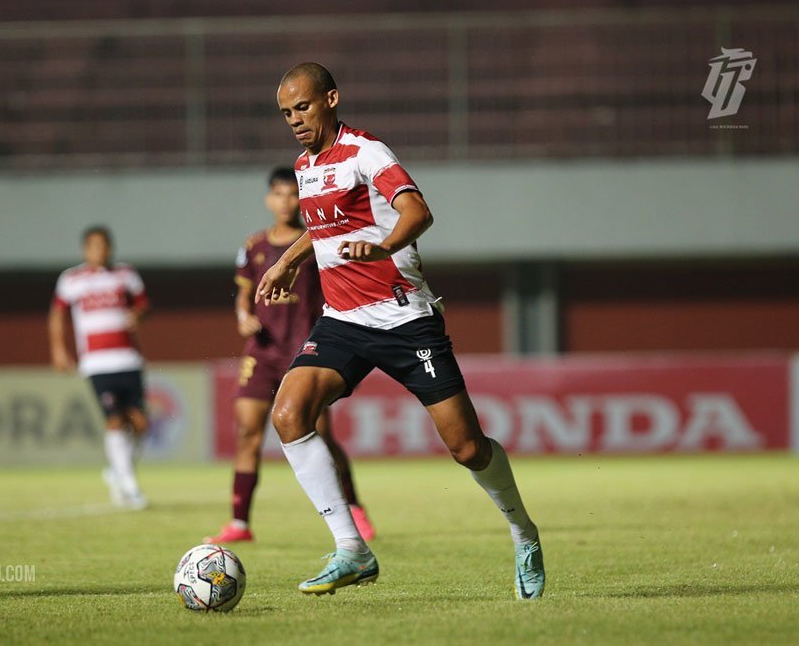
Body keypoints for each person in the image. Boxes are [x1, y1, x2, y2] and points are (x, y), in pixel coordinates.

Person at [257, 63, 546, 598]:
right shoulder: (304, 165)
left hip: (405, 318)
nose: (295, 120)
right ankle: (352, 550)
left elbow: (418, 212)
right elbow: (325, 229)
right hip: (343, 320)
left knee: (466, 449)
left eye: (303, 107)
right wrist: (290, 260)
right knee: (288, 413)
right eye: (286, 113)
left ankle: (523, 531)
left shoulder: (368, 152)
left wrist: (384, 246)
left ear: (332, 99)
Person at [204, 167, 375, 545]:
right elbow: (244, 297)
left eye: (292, 194)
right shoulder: (254, 247)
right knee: (248, 431)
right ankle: (239, 523)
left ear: (302, 198)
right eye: (278, 195)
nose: (285, 202)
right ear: (269, 199)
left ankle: (354, 506)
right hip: (262, 352)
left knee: (322, 437)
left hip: (307, 348)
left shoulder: (319, 241)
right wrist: (244, 316)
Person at [49, 227, 150, 509]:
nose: (100, 251)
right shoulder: (72, 279)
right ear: (85, 249)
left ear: (111, 248)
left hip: (128, 358)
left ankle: (117, 470)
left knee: (141, 424)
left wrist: (138, 315)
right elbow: (57, 315)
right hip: (97, 362)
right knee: (115, 419)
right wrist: (58, 350)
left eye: (104, 246)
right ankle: (129, 486)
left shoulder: (126, 275)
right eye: (94, 246)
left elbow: (144, 305)